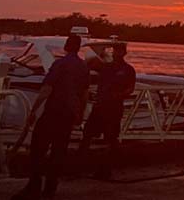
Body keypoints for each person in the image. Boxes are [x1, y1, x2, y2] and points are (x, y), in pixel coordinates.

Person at [12, 34, 90, 200]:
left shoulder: (59, 64)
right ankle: (50, 188)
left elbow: (47, 88)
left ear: (67, 46)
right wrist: (80, 114)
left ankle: (34, 185)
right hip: (69, 115)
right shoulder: (83, 67)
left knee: (37, 149)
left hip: (53, 112)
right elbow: (84, 94)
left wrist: (33, 110)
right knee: (58, 151)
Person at [79, 43, 136, 179]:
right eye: (115, 50)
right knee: (87, 135)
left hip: (114, 108)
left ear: (124, 52)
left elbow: (130, 88)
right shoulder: (106, 66)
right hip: (99, 106)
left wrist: (120, 94)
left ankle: (106, 169)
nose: (117, 52)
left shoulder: (128, 69)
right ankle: (79, 166)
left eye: (120, 50)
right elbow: (89, 63)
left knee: (110, 139)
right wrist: (99, 50)